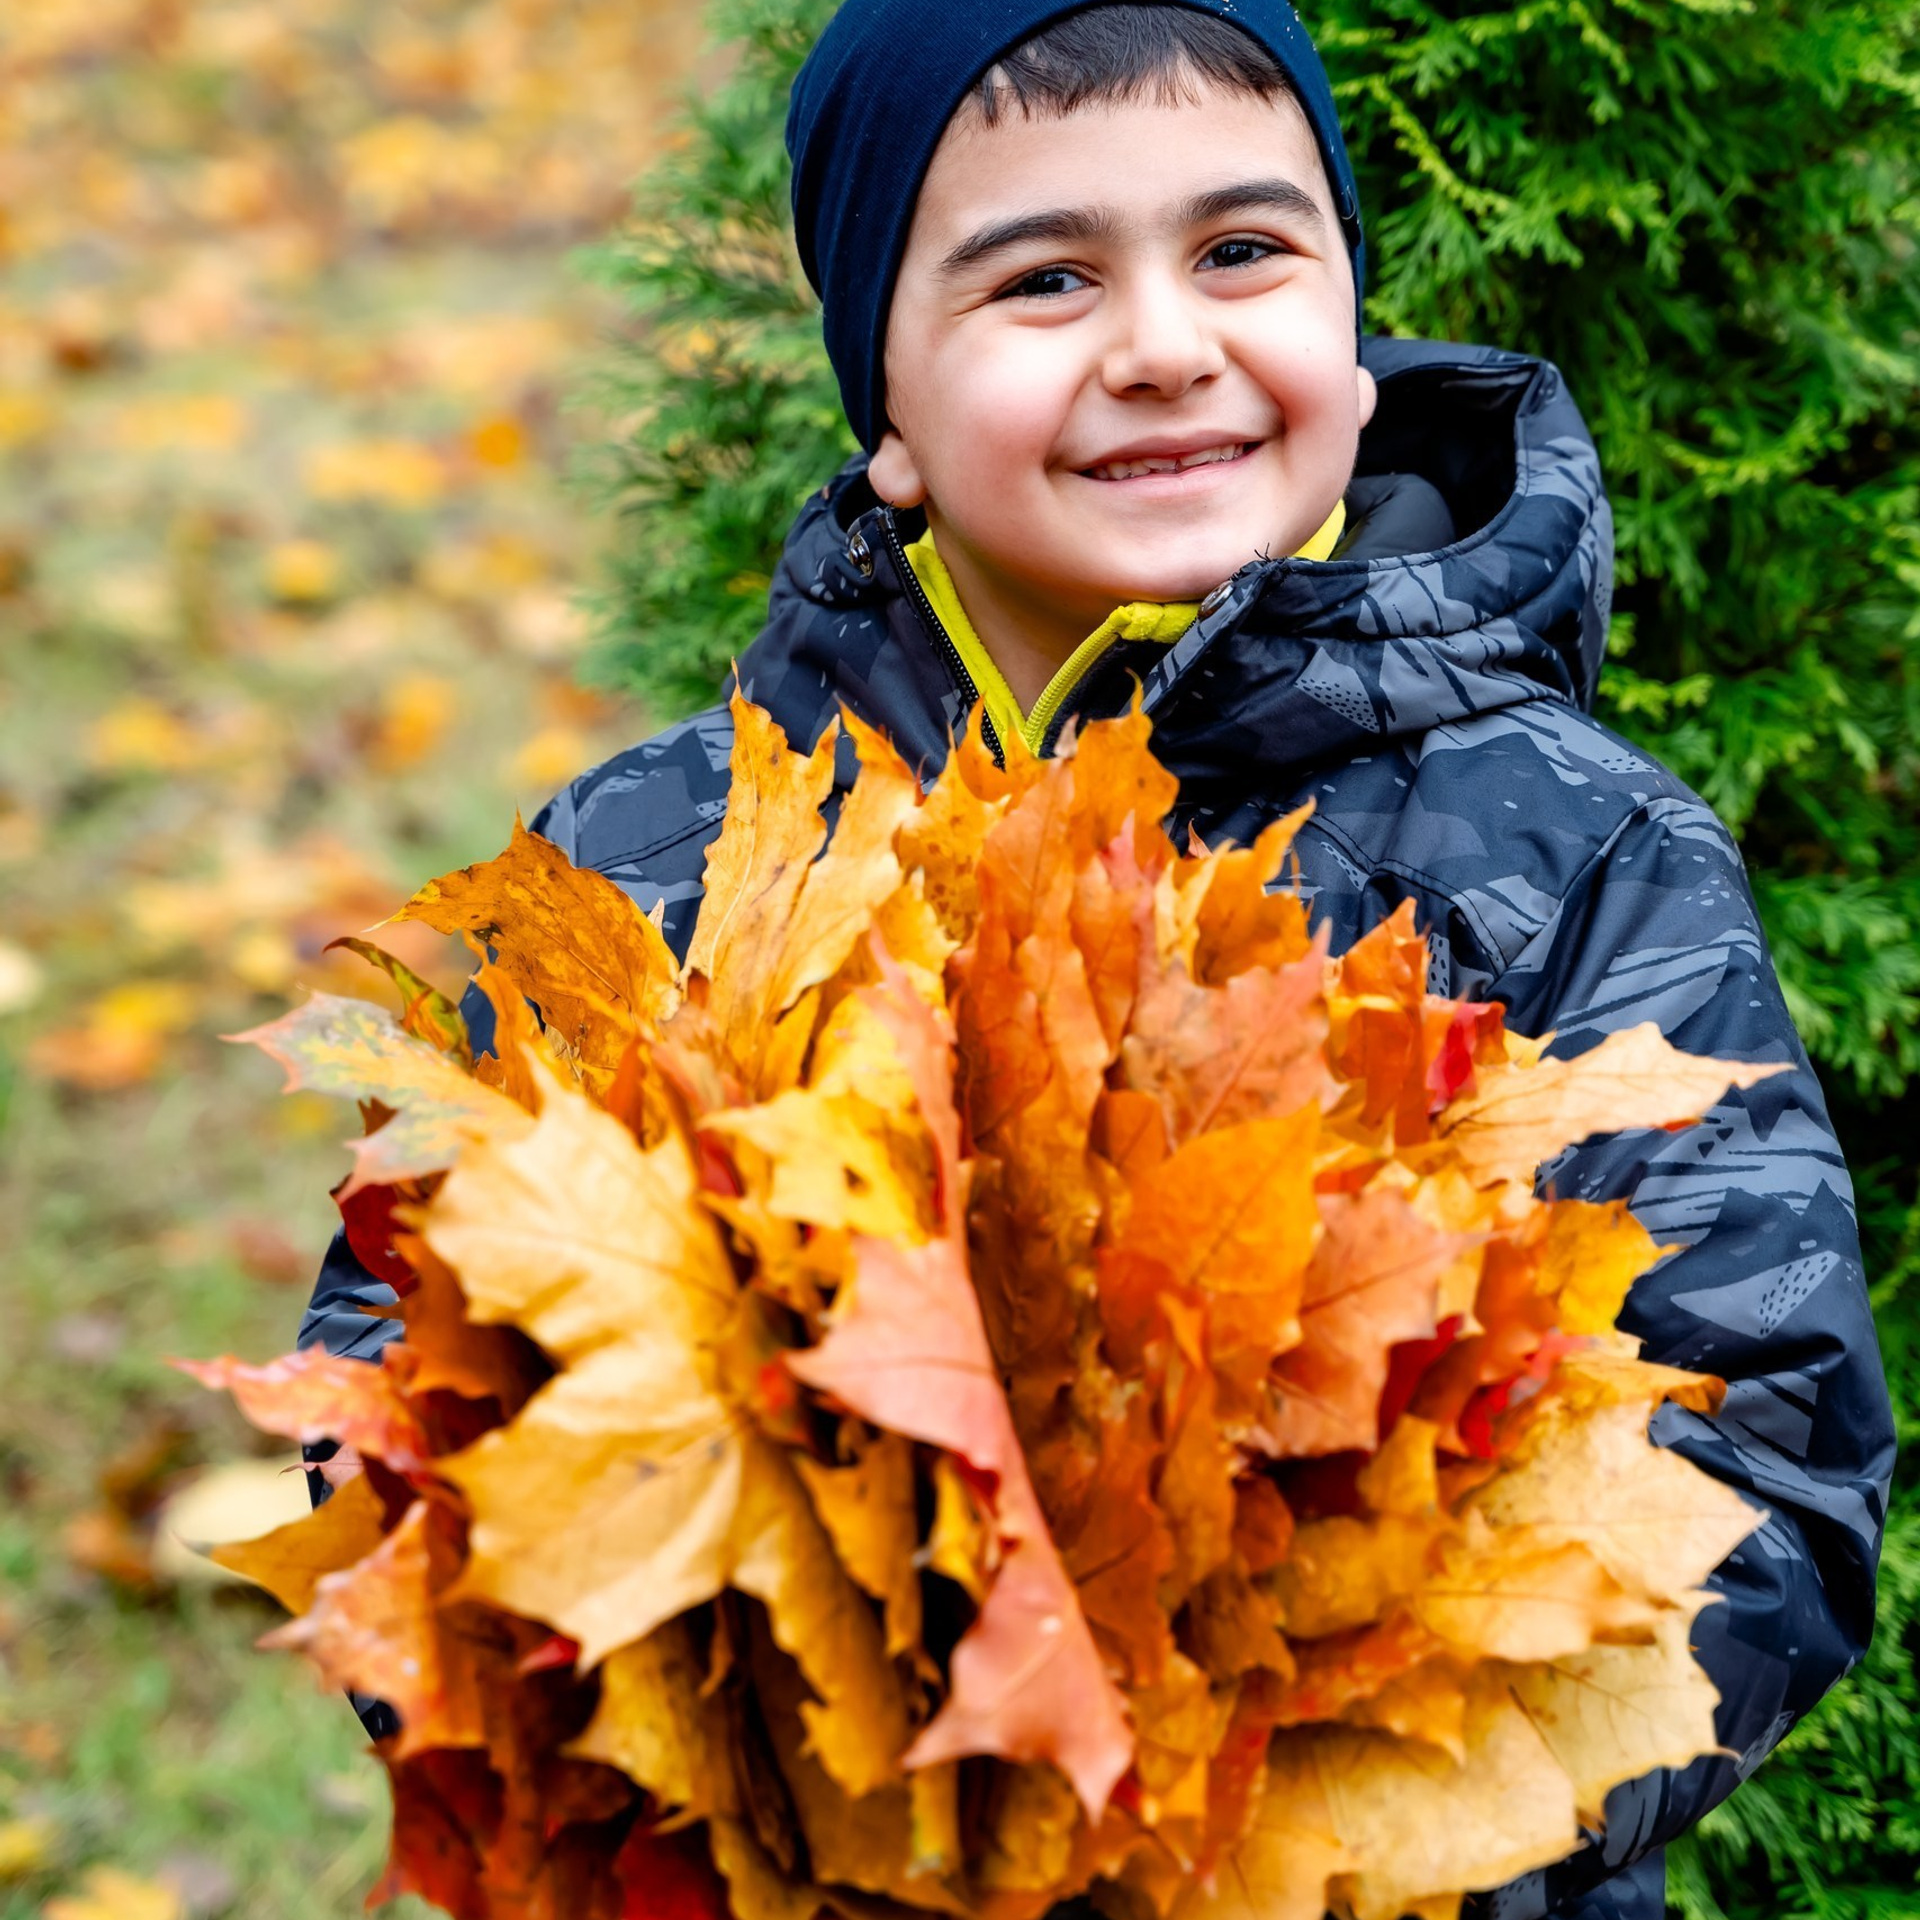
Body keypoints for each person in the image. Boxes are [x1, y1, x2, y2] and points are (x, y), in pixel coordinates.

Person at [299, 6, 1896, 1918]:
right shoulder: (665, 862)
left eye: (1242, 250)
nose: (1162, 345)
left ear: (1355, 336)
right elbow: (405, 1369)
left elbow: (1765, 1470)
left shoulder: (1578, 854)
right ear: (883, 413)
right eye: (1043, 278)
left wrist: (1286, 1791)